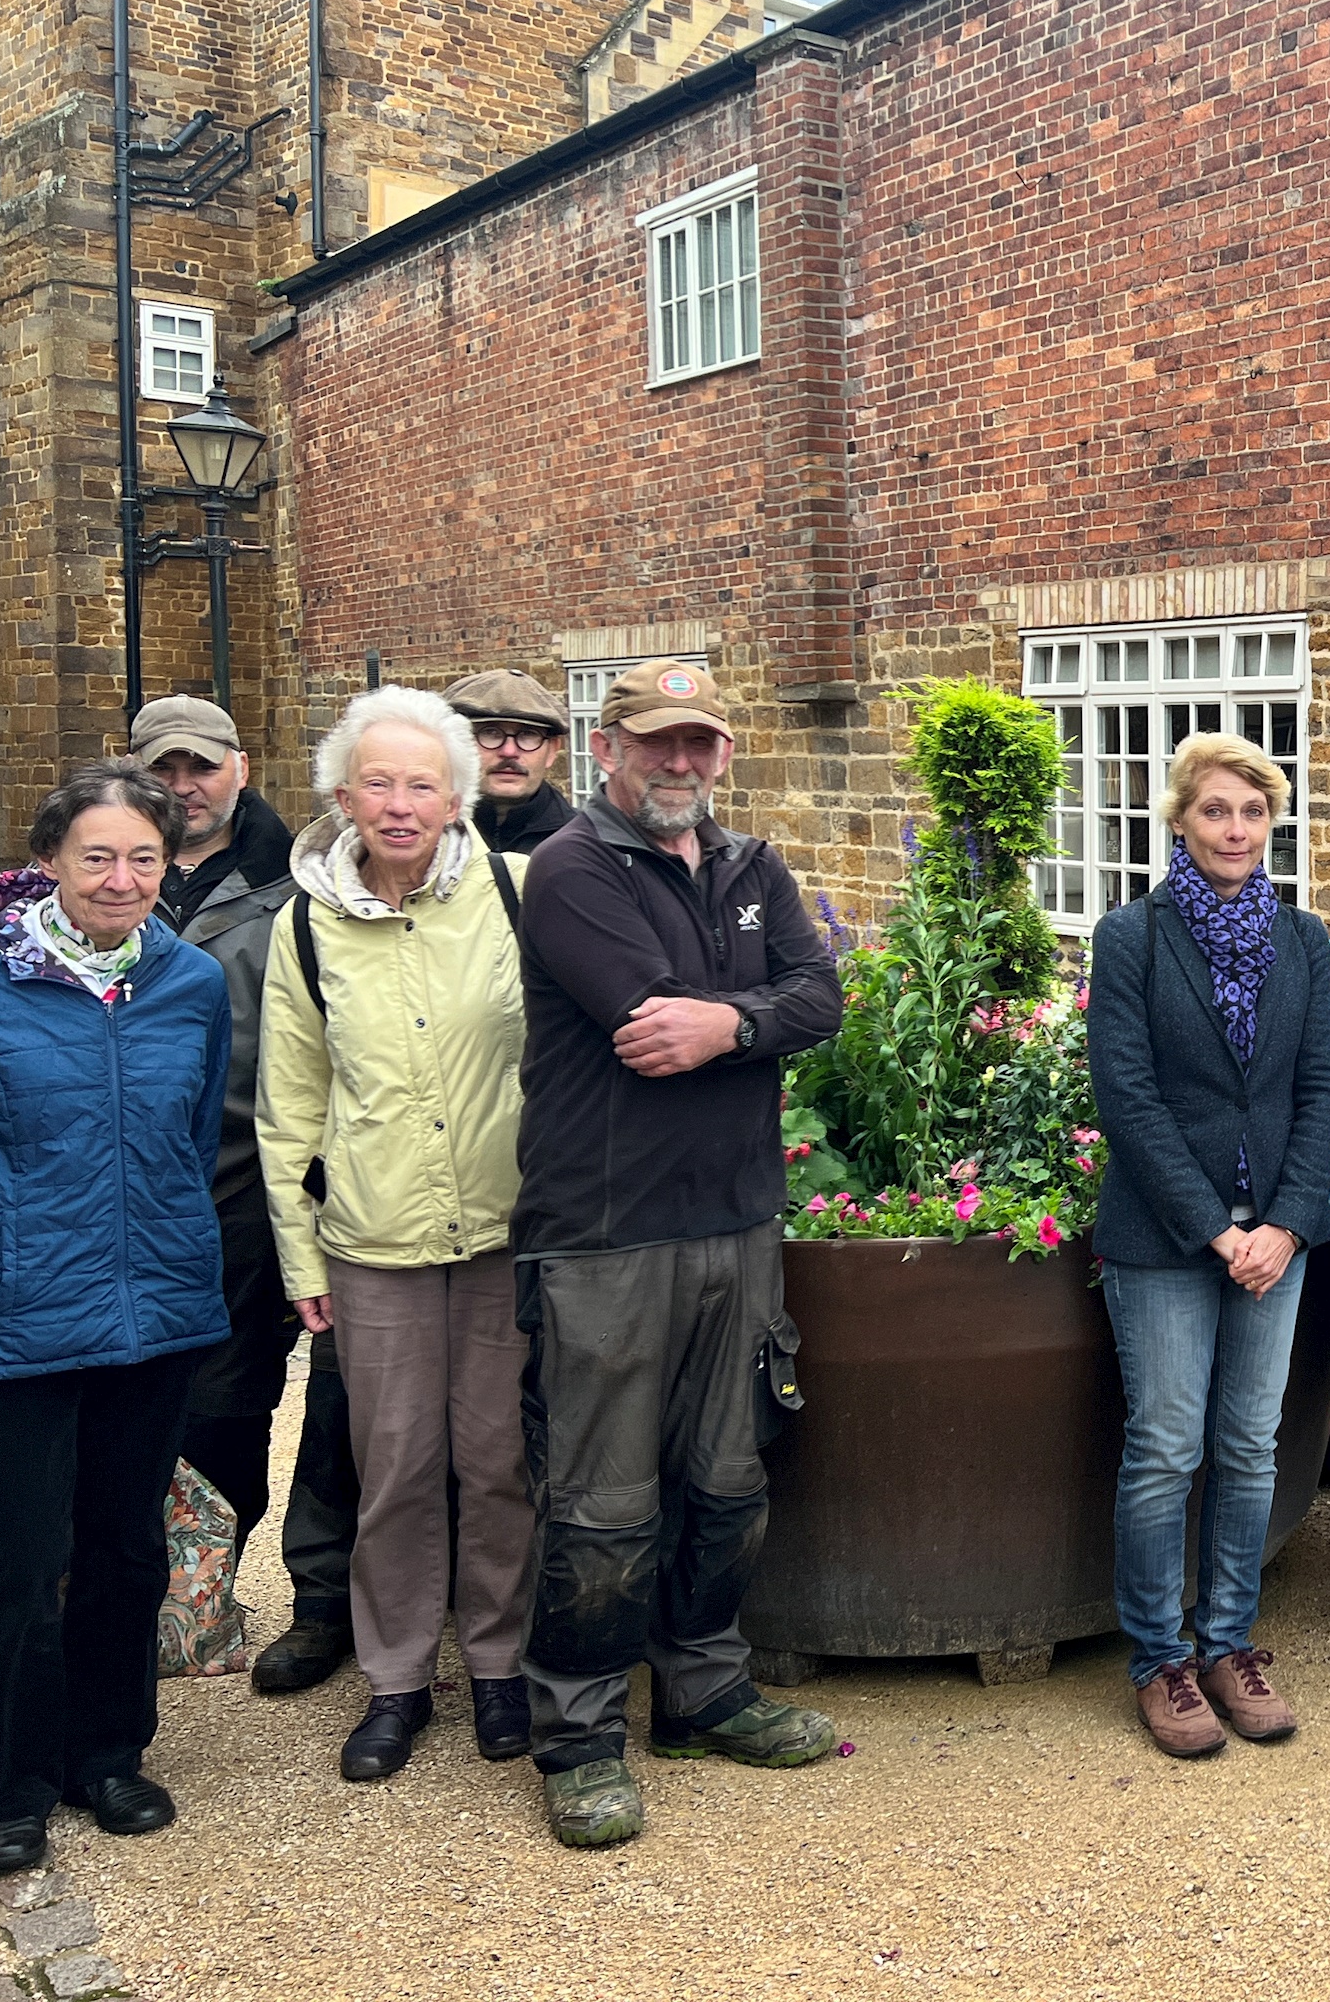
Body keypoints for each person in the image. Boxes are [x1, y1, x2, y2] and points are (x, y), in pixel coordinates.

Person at [509, 658, 844, 1849]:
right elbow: (646, 1024)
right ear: (609, 751)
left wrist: (732, 1021)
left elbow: (824, 998)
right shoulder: (572, 870)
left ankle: (704, 1694)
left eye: (700, 744)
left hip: (739, 1218)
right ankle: (582, 1732)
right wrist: (746, 1015)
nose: (682, 765)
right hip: (606, 1230)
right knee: (600, 1496)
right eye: (659, 744)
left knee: (728, 1474)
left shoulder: (756, 866)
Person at [0, 764, 230, 1876]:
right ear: (49, 862)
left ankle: (109, 1753)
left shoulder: (190, 983)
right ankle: (9, 1785)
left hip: (150, 1316)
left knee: (123, 1548)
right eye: (97, 856)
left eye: (143, 857)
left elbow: (189, 1146)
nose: (121, 878)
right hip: (10, 1318)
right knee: (23, 1557)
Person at [256, 688, 537, 1782]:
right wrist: (299, 1255)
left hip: (506, 1230)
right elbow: (289, 1105)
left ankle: (503, 1668)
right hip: (374, 1239)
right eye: (379, 782)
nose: (400, 803)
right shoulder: (304, 924)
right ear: (342, 796)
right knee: (395, 1468)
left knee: (500, 1461)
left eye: (423, 783)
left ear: (459, 798)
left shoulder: (517, 894)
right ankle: (398, 1680)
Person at [1086, 733, 1330, 1757]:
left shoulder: (1303, 937)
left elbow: (1323, 1087)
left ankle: (1230, 1640)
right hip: (1164, 1238)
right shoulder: (1132, 936)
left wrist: (1284, 1223)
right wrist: (1216, 1228)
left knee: (1249, 1445)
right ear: (1181, 824)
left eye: (1252, 813)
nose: (1235, 830)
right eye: (1215, 812)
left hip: (1276, 1239)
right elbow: (1129, 1098)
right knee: (1164, 1448)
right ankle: (1160, 1660)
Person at [130, 697, 307, 1596]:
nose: (183, 786)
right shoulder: (101, 875)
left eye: (200, 766)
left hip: (240, 1183)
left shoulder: (298, 885)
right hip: (118, 1189)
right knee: (119, 1392)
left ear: (240, 767)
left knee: (232, 1401)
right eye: (163, 768)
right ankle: (118, 1588)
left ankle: (203, 1594)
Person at [448, 670, 578, 854]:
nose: (509, 752)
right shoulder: (425, 835)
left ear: (552, 750)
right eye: (490, 733)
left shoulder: (586, 845)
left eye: (528, 735)